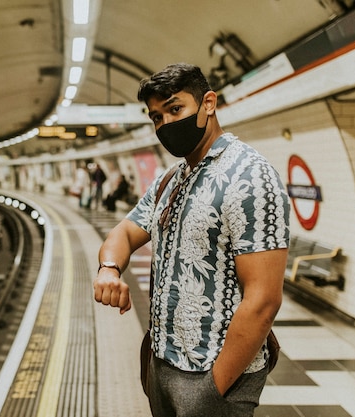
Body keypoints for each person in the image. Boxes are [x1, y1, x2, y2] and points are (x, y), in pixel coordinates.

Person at [93, 63, 290, 417]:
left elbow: (263, 300)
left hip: (213, 372)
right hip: (162, 362)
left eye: (175, 109)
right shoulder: (171, 179)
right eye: (156, 117)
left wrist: (214, 387)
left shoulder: (250, 176)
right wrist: (109, 268)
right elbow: (123, 232)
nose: (166, 124)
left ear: (208, 103)